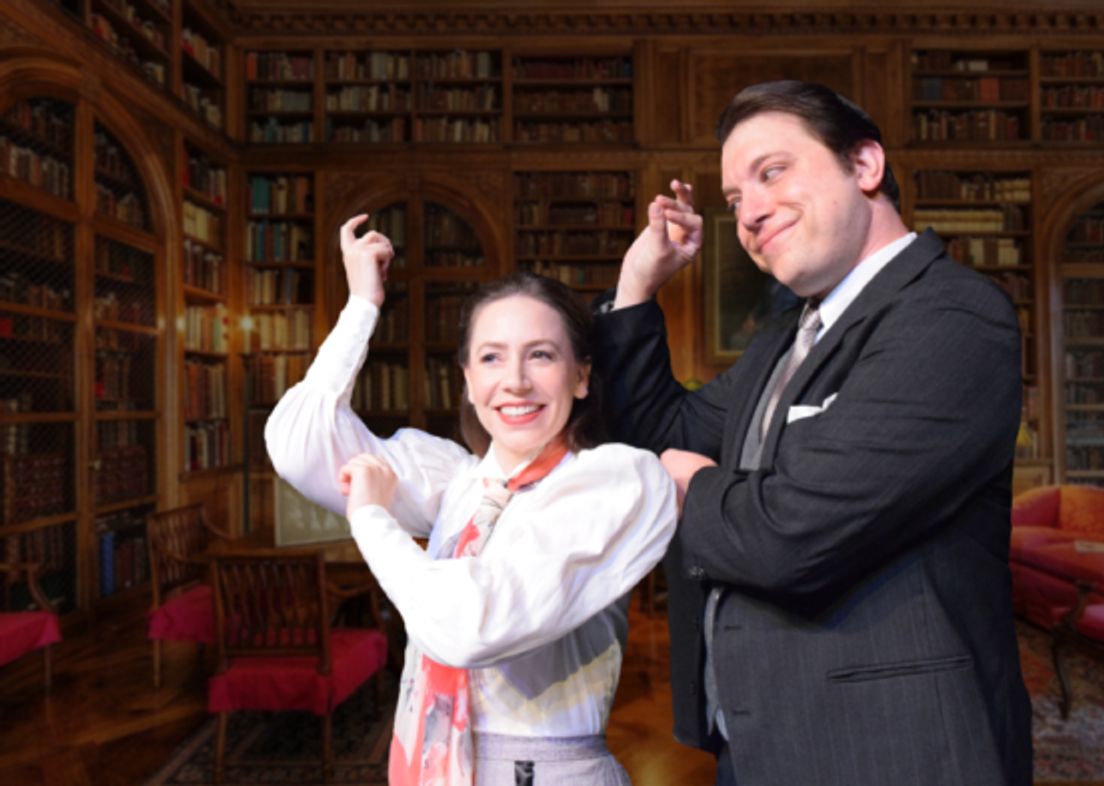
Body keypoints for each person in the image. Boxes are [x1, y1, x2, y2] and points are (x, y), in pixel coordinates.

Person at [592, 80, 1033, 786]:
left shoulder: (950, 317)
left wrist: (685, 485)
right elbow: (663, 432)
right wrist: (638, 284)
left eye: (772, 172)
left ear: (865, 166)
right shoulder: (784, 340)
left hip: (886, 752)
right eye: (734, 201)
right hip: (760, 740)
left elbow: (788, 535)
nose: (749, 213)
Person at [264, 215, 676, 786]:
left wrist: (371, 519)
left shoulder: (612, 484)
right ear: (466, 379)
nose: (515, 381)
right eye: (491, 357)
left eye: (541, 355)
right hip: (433, 762)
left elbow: (468, 627)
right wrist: (362, 305)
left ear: (581, 376)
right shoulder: (457, 482)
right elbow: (298, 445)